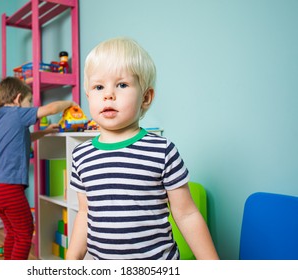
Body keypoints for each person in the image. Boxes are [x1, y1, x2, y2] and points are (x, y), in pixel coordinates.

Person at [66, 37, 219, 260]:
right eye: (99, 86)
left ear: (145, 97)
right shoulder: (81, 156)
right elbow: (84, 213)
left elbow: (186, 214)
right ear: (89, 96)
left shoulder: (162, 151)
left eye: (122, 84)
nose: (108, 94)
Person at [0, 76, 76, 260]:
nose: (30, 106)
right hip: (9, 188)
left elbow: (22, 139)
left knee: (12, 232)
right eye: (29, 101)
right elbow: (51, 108)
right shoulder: (18, 113)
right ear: (18, 99)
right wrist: (70, 102)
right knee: (25, 232)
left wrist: (44, 132)